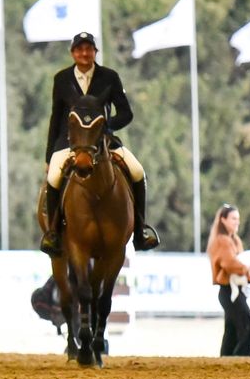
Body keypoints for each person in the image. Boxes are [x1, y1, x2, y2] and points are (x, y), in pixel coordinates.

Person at [38, 30, 159, 256]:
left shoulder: (109, 77)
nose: (85, 53)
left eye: (89, 49)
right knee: (54, 177)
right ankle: (53, 234)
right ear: (73, 53)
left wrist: (106, 126)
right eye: (80, 49)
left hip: (103, 142)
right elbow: (56, 117)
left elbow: (126, 113)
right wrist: (48, 156)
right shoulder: (61, 79)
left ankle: (141, 231)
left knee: (138, 171)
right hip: (68, 143)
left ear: (95, 52)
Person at [207, 203, 250, 357]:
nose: (237, 222)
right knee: (249, 330)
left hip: (231, 291)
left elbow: (235, 263)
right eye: (234, 218)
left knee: (232, 333)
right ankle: (238, 364)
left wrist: (247, 272)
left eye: (238, 219)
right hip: (231, 292)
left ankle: (226, 365)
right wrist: (247, 271)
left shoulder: (232, 240)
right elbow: (230, 263)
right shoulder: (224, 241)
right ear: (223, 220)